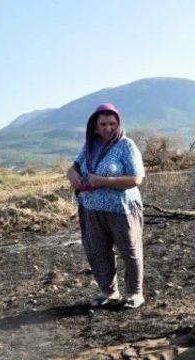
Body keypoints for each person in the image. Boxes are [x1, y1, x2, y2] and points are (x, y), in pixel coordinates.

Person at [67, 103, 145, 309]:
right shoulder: (90, 146)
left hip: (121, 208)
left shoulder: (126, 146)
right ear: (94, 126)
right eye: (103, 124)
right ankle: (109, 292)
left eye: (112, 123)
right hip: (91, 208)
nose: (107, 128)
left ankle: (135, 293)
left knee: (130, 250)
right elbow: (75, 166)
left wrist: (104, 181)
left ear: (118, 124)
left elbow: (136, 178)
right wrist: (71, 173)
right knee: (97, 250)